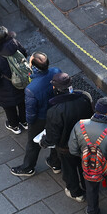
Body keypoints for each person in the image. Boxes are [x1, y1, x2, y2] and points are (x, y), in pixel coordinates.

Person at [68, 97, 107, 214]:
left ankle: (93, 211)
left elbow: (73, 149)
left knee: (91, 187)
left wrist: (85, 157)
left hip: (88, 164)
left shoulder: (79, 125)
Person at [42, 73, 93, 202]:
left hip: (66, 147)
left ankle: (76, 193)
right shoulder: (84, 99)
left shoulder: (54, 111)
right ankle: (88, 187)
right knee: (84, 166)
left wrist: (44, 142)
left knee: (69, 170)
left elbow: (53, 135)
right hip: (84, 143)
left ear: (55, 89)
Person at [11, 52, 61, 177]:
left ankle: (28, 167)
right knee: (56, 138)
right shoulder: (56, 71)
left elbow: (31, 112)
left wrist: (30, 122)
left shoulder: (31, 89)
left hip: (41, 118)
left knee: (32, 144)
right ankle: (55, 163)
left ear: (33, 66)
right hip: (56, 112)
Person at [0, 27, 29, 134]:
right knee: (22, 103)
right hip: (21, 80)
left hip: (5, 86)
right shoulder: (14, 43)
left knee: (9, 107)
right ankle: (25, 122)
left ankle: (14, 126)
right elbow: (24, 53)